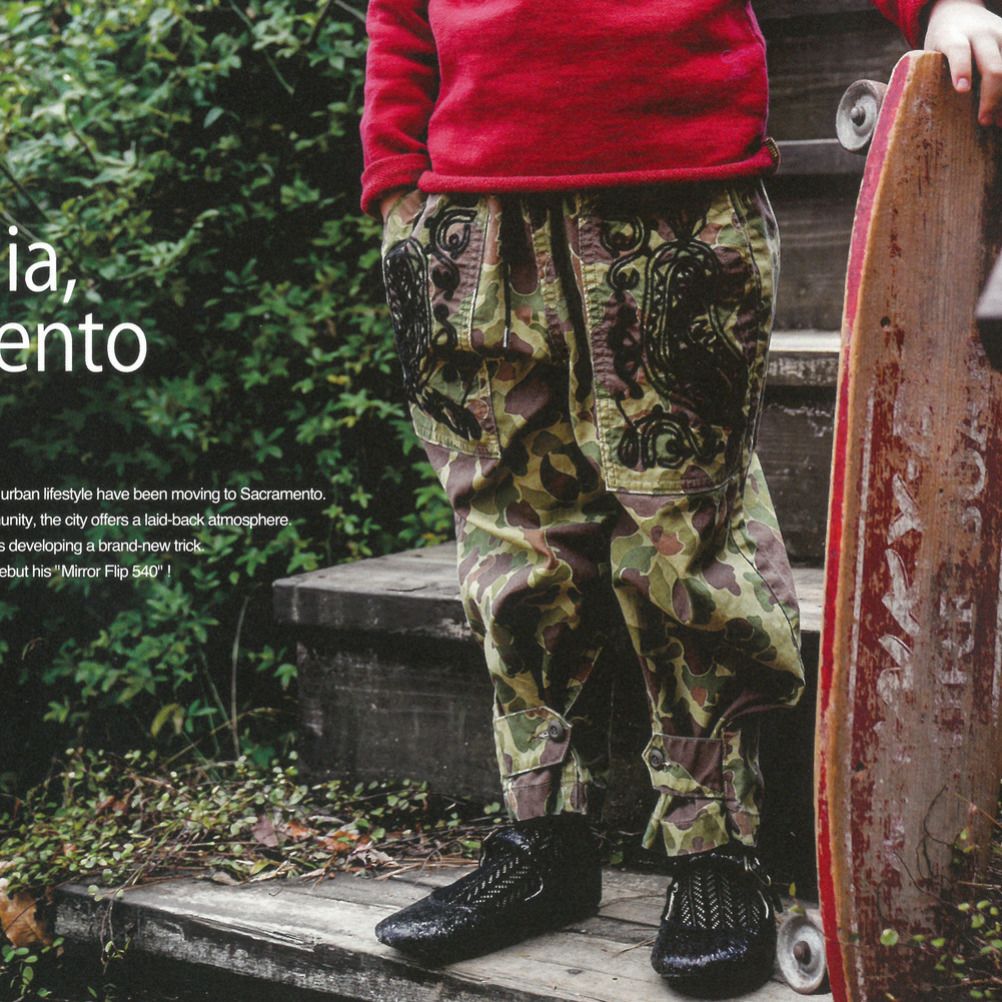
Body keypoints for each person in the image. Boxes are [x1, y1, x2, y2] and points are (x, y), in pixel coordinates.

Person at [359, 0, 1002, 990]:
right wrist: (397, 185)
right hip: (465, 218)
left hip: (675, 195)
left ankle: (717, 845)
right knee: (511, 535)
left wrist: (939, 4)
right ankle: (544, 836)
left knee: (685, 531)